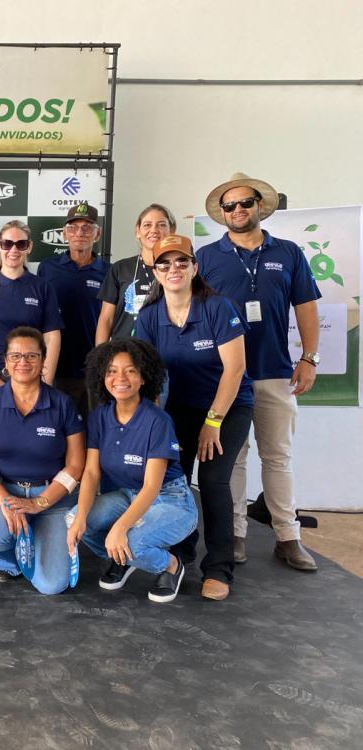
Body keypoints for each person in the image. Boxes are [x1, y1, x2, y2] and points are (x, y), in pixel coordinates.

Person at [196, 173, 322, 571]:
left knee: (278, 457)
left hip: (274, 372)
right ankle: (235, 535)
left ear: (259, 206)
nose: (237, 210)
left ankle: (288, 536)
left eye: (245, 203)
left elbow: (306, 307)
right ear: (222, 213)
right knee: (233, 459)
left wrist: (310, 358)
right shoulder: (206, 257)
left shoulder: (288, 252)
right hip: (224, 376)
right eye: (229, 206)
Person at [135, 235, 254, 601]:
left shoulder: (219, 308)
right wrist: (154, 424)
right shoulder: (150, 316)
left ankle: (218, 567)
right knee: (176, 481)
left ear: (194, 267)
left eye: (181, 262)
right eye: (164, 264)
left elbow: (234, 371)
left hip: (228, 407)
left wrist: (213, 423)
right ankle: (180, 554)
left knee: (215, 480)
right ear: (155, 271)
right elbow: (150, 377)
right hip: (178, 410)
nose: (173, 269)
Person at [67, 339, 198, 603]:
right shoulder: (99, 417)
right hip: (127, 495)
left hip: (168, 498)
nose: (120, 378)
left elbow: (151, 486)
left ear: (143, 378)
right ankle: (122, 557)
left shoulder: (158, 420)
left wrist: (120, 528)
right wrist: (81, 516)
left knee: (133, 542)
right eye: (112, 371)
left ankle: (171, 566)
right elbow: (91, 473)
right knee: (74, 521)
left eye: (130, 370)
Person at [0, 327, 86, 594]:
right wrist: (5, 502)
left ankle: (37, 538)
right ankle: (8, 558)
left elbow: (76, 465)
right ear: (6, 362)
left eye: (32, 356)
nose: (23, 362)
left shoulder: (62, 403)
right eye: (16, 356)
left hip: (51, 496)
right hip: (5, 490)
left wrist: (38, 503)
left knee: (52, 586)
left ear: (44, 360)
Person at [0, 220, 63, 402]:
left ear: (29, 247)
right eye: (7, 244)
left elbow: (52, 337)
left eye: (21, 244)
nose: (13, 250)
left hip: (33, 377)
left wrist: (45, 381)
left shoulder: (42, 287)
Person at [37, 203, 110, 413]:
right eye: (73, 227)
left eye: (87, 227)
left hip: (94, 368)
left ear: (97, 234)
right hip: (55, 367)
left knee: (92, 431)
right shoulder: (47, 268)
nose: (80, 233)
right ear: (65, 233)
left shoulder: (109, 272)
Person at [95, 204, 176, 344]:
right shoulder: (120, 268)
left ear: (172, 231)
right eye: (147, 225)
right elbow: (106, 319)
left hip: (167, 350)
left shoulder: (178, 271)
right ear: (137, 231)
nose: (154, 230)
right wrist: (100, 358)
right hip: (124, 352)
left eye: (161, 225)